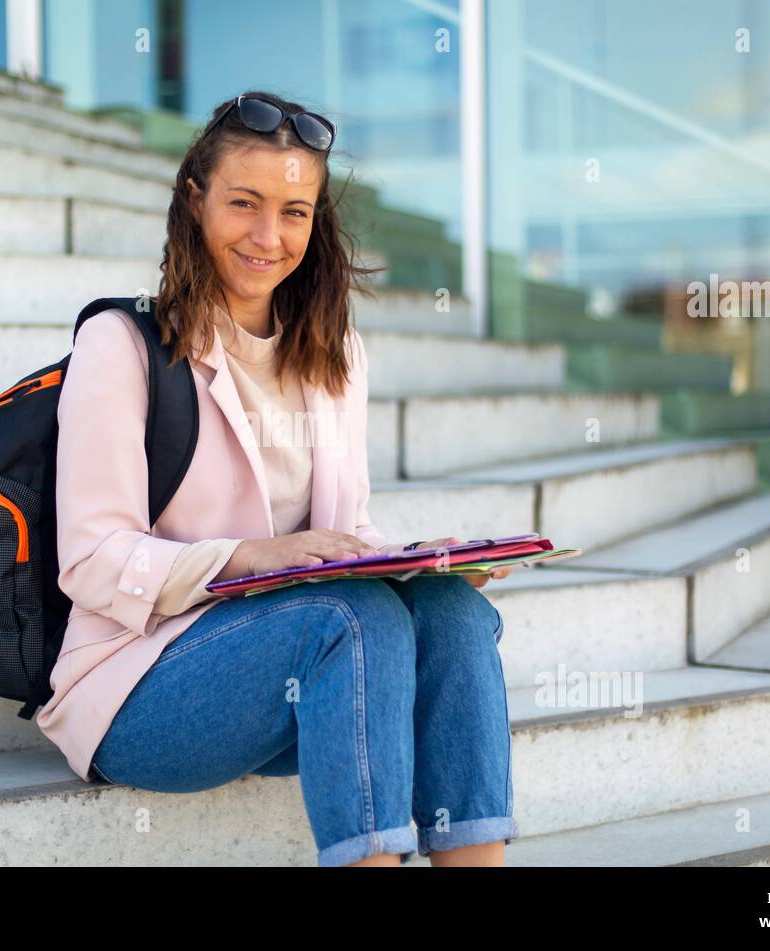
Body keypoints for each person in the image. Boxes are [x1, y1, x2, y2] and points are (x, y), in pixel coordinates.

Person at [35, 91, 518, 867]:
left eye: (295, 211)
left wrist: (416, 561)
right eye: (244, 204)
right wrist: (247, 557)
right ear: (194, 203)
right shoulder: (123, 346)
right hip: (140, 686)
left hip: (300, 673)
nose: (269, 236)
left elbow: (344, 533)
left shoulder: (335, 354)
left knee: (449, 611)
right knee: (352, 617)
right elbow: (90, 561)